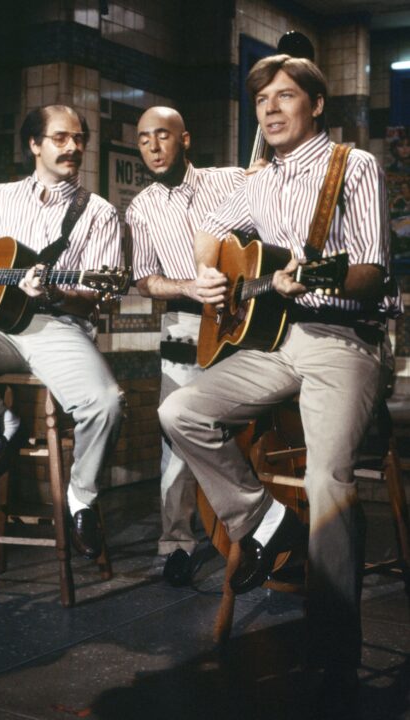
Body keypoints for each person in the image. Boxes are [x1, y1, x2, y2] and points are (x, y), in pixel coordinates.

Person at [158, 55, 400, 700]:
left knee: (327, 478)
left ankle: (332, 650)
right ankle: (268, 526)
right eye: (261, 98)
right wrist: (213, 274)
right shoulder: (254, 180)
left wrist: (316, 274)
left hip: (343, 341)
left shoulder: (353, 165)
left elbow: (373, 269)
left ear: (315, 105)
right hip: (274, 341)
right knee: (179, 411)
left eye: (285, 96)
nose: (269, 108)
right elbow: (211, 236)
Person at [0, 104, 125, 560]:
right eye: (61, 138)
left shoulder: (98, 213)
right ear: (34, 145)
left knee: (107, 403)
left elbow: (101, 297)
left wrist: (54, 295)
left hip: (55, 326)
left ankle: (81, 495)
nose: (74, 148)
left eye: (79, 139)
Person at [125, 106, 246, 586]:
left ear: (185, 139)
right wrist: (187, 286)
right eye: (144, 140)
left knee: (251, 430)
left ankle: (255, 530)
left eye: (163, 136)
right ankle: (177, 542)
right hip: (182, 324)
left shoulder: (231, 181)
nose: (154, 147)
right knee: (175, 436)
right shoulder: (141, 208)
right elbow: (145, 281)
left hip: (242, 320)